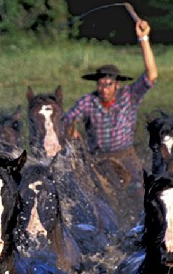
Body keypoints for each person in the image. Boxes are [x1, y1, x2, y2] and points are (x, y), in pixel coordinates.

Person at [62, 18, 158, 214]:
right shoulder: (89, 101)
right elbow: (66, 120)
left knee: (140, 192)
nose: (104, 89)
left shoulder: (129, 97)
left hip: (126, 156)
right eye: (101, 84)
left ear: (117, 85)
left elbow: (151, 75)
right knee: (87, 195)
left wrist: (144, 38)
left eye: (108, 84)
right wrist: (72, 132)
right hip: (97, 159)